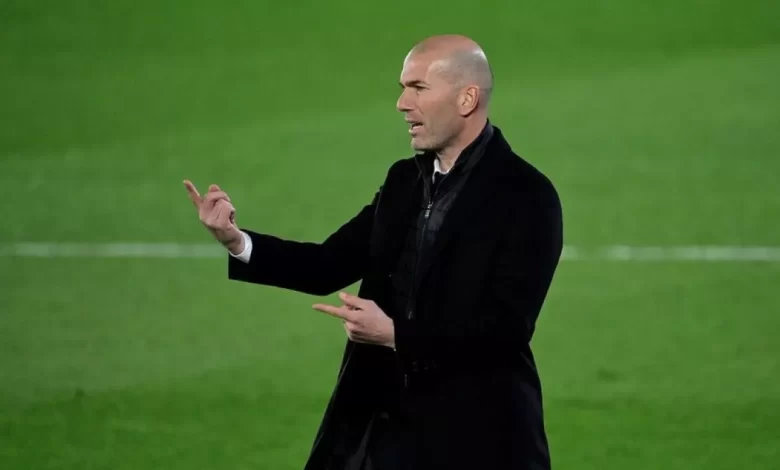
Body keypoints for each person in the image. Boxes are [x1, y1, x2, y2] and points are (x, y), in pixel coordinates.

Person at [184, 34, 563, 470]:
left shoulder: (526, 196)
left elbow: (505, 331)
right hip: (379, 432)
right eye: (403, 88)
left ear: (467, 99)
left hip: (473, 437)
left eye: (418, 88)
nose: (402, 103)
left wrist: (396, 335)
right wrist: (237, 241)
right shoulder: (404, 182)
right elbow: (328, 264)